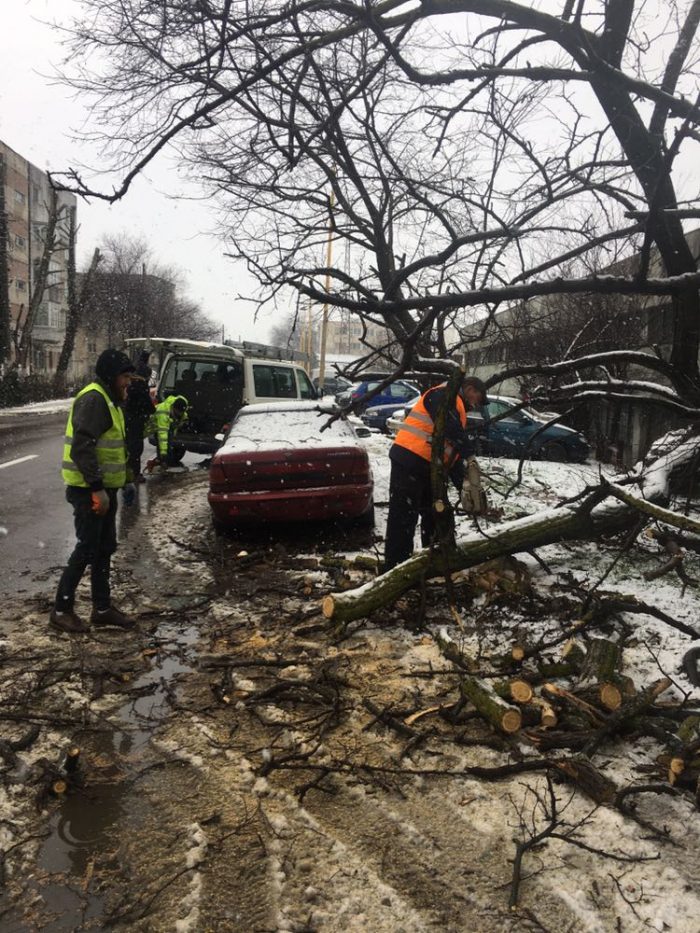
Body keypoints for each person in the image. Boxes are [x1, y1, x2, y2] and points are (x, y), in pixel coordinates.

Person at [51, 348, 137, 634]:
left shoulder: (110, 399)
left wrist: (126, 480)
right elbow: (83, 447)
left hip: (104, 490)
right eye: (125, 377)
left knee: (103, 549)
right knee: (87, 548)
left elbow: (112, 449)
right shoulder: (94, 399)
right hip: (88, 490)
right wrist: (98, 489)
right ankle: (61, 610)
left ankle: (102, 609)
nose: (129, 382)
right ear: (112, 376)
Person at [383, 375, 487, 572]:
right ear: (470, 389)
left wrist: (465, 485)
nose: (477, 404)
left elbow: (451, 450)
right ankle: (394, 568)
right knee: (403, 517)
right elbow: (450, 428)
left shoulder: (456, 407)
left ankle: (436, 559)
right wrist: (470, 453)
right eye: (478, 398)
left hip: (429, 467)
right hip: (409, 460)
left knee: (438, 513)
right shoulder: (443, 395)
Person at [124, 349, 154, 483]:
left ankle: (128, 473)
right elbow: (147, 403)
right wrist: (152, 410)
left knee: (129, 447)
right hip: (135, 419)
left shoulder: (131, 382)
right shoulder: (140, 385)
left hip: (128, 417)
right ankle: (134, 475)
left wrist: (145, 356)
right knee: (135, 448)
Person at [148, 394, 189, 469]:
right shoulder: (163, 412)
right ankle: (163, 461)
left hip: (163, 428)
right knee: (164, 446)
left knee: (168, 444)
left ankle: (164, 462)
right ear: (173, 408)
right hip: (150, 428)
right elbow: (163, 435)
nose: (179, 415)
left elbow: (182, 419)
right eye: (177, 413)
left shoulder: (181, 412)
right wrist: (163, 453)